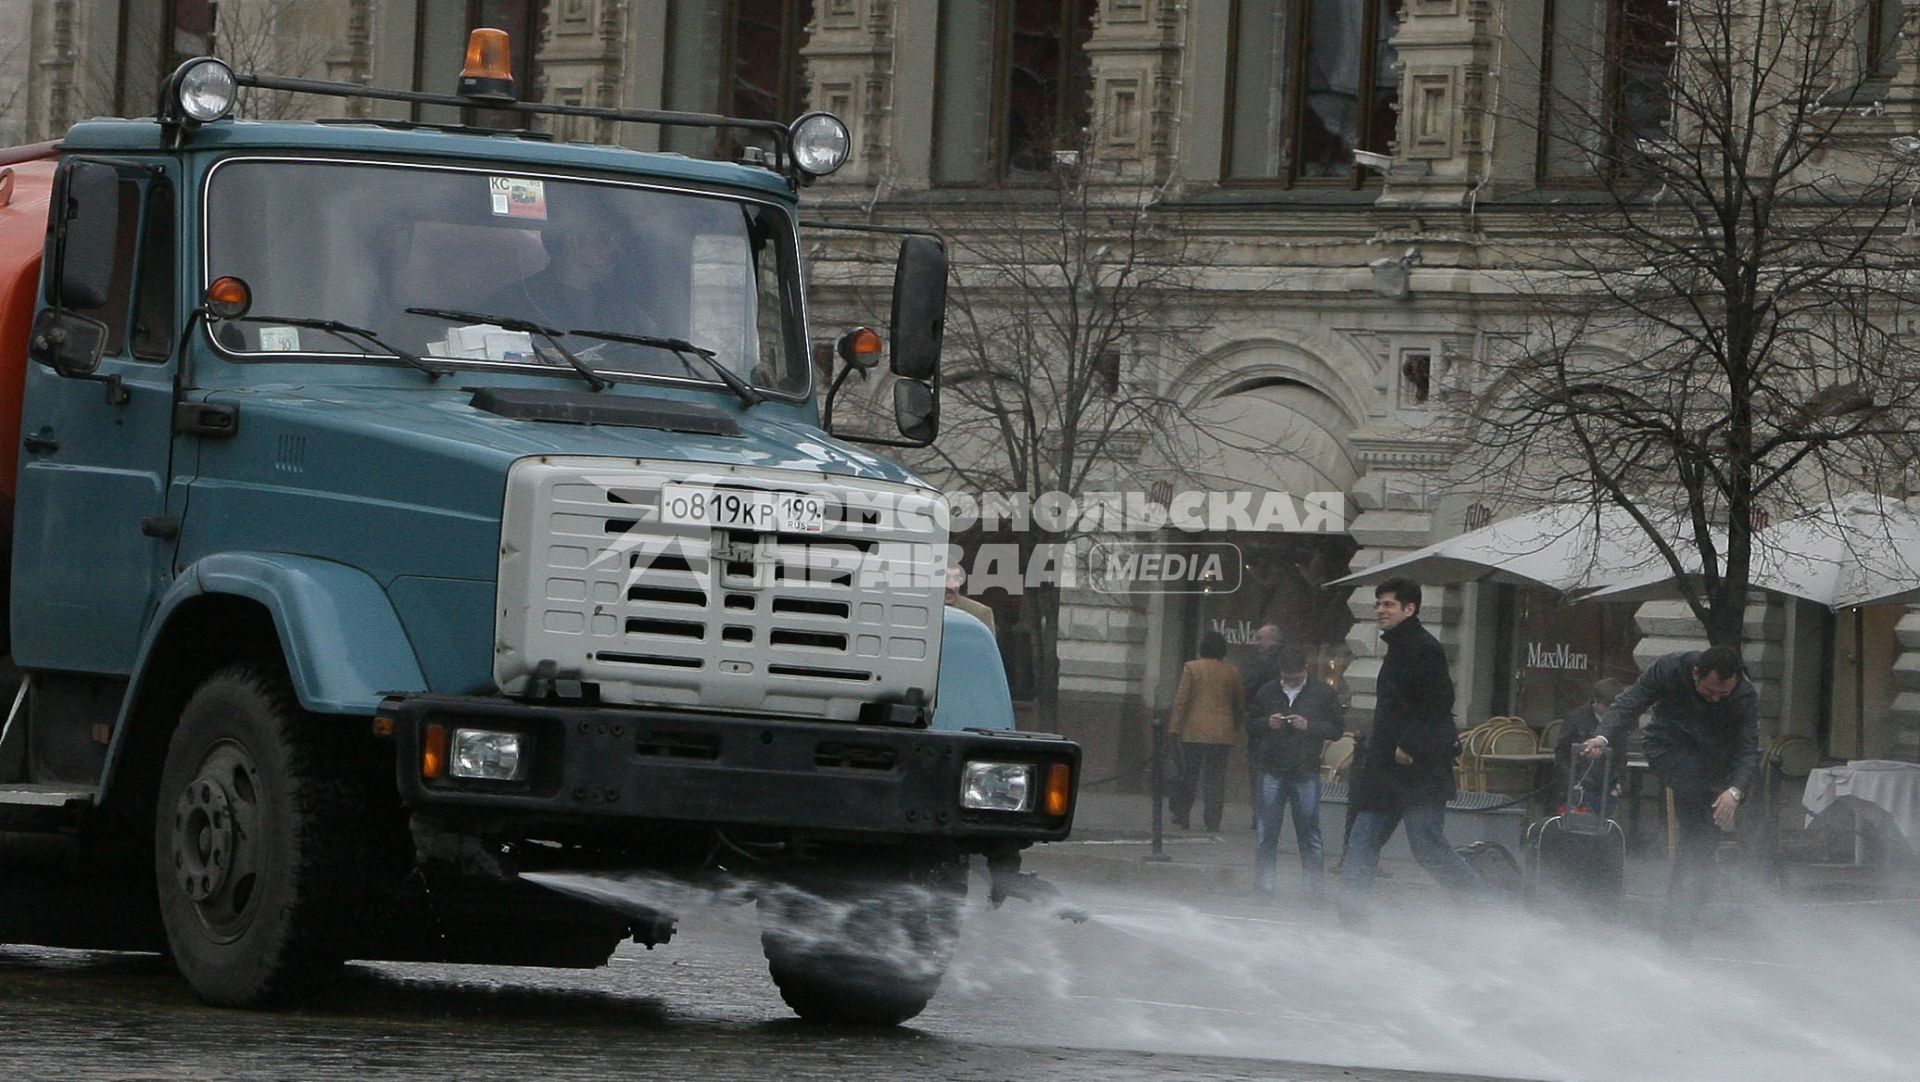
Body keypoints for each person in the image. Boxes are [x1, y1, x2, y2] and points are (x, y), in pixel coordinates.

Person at [1580, 646, 1759, 945]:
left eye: (1723, 694)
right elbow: (1629, 704)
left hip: (1714, 761)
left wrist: (1734, 791)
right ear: (1695, 674)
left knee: (1702, 839)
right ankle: (1681, 919)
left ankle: (1687, 908)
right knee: (1699, 825)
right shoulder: (1670, 668)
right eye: (1710, 691)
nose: (1717, 698)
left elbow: (1748, 748)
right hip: (1669, 747)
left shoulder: (1744, 694)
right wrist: (1602, 736)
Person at [1337, 577, 1485, 925]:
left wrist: (1410, 744)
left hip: (1418, 772)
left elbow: (1438, 703)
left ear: (1410, 608)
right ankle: (1351, 924)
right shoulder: (1399, 647)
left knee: (1429, 848)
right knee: (1361, 844)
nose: (1380, 611)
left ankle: (1486, 909)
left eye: (1388, 604)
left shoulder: (1423, 647)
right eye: (1378, 604)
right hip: (1386, 772)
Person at [1248, 646, 1344, 903]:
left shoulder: (1322, 692)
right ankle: (1264, 888)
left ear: (1305, 670)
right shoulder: (1268, 690)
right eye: (1286, 677)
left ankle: (1313, 891)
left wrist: (1309, 726)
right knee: (1267, 832)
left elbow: (1337, 729)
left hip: (1304, 769)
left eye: (1295, 677)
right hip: (1271, 767)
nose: (1290, 681)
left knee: (1309, 832)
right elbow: (1249, 723)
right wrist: (1266, 722)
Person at [1168, 631, 1245, 833]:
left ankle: (1183, 815)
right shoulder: (1232, 671)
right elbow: (1239, 703)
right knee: (1216, 779)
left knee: (1189, 775)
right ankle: (1213, 821)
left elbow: (1181, 701)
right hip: (1223, 733)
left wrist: (1174, 728)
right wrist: (1234, 726)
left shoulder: (1192, 668)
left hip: (1193, 732)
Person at [1555, 677, 1626, 808]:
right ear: (1595, 701)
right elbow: (1561, 754)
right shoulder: (1575, 718)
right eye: (1607, 706)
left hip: (1607, 785)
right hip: (1578, 783)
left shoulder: (1619, 722)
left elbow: (1621, 755)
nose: (1610, 711)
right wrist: (1571, 783)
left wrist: (1618, 783)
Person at [1240, 623, 1283, 827]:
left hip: (1262, 722)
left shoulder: (1260, 663)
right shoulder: (1286, 659)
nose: (1257, 643)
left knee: (1259, 771)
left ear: (1273, 640)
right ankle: (1271, 814)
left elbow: (1247, 688)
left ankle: (1260, 814)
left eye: (1261, 639)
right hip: (1282, 723)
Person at [944, 563, 996, 637]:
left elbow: (985, 647)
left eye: (956, 579)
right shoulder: (923, 609)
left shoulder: (979, 614)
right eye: (946, 578)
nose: (951, 586)